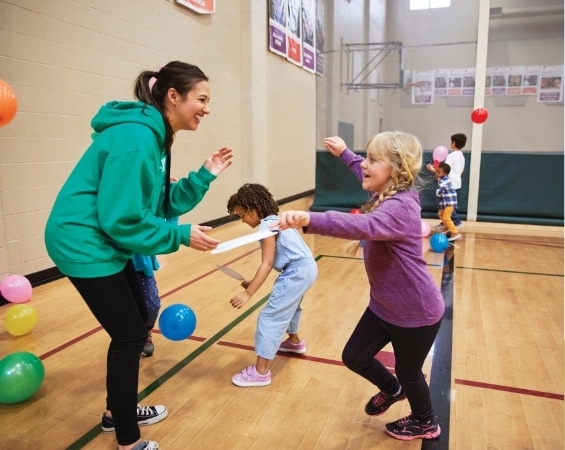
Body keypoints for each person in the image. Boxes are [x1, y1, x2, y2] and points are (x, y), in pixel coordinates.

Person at [44, 61, 234, 450]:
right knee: (130, 333)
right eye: (202, 99)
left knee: (140, 319)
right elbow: (122, 218)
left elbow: (158, 203)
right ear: (173, 96)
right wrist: (180, 235)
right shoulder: (137, 137)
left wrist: (203, 175)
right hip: (83, 241)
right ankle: (127, 439)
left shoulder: (155, 136)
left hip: (106, 240)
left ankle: (119, 412)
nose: (207, 108)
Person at [276, 132, 444, 441]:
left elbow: (362, 226)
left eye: (372, 159)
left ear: (394, 169)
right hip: (384, 306)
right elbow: (363, 172)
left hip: (416, 312)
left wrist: (309, 220)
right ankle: (391, 389)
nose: (364, 165)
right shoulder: (386, 192)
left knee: (409, 373)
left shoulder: (400, 207)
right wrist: (344, 154)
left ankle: (425, 422)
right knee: (354, 356)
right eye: (365, 158)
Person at [226, 183, 318, 387]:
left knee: (270, 317)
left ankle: (260, 372)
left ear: (254, 209)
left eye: (243, 215)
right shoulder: (276, 219)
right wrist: (252, 283)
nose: (243, 220)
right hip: (308, 267)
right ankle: (294, 342)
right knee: (293, 306)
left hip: (295, 272)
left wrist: (248, 293)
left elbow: (267, 263)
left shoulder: (266, 226)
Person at [427, 133, 466, 228]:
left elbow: (444, 169)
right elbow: (462, 170)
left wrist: (432, 169)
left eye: (451, 141)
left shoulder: (451, 156)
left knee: (448, 205)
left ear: (454, 143)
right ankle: (445, 221)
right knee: (448, 204)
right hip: (456, 182)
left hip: (449, 183)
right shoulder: (462, 156)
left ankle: (456, 221)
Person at [435, 162, 461, 242]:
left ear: (445, 173)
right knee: (440, 213)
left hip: (449, 202)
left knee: (446, 217)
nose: (437, 173)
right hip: (445, 203)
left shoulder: (445, 181)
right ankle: (446, 228)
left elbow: (440, 190)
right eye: (437, 172)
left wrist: (437, 192)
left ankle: (455, 232)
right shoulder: (443, 179)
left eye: (439, 172)